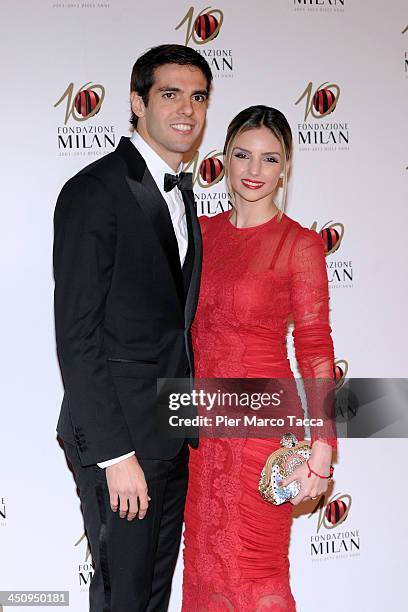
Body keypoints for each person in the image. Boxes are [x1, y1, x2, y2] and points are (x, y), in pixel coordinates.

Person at [53, 44, 212, 611]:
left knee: (151, 597)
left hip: (170, 431)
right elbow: (77, 335)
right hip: (117, 438)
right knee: (122, 596)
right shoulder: (94, 192)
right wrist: (115, 455)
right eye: (170, 94)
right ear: (136, 102)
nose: (186, 110)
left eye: (198, 97)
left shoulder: (183, 195)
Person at [182, 106, 337, 611]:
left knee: (255, 566)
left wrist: (321, 446)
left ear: (285, 166)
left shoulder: (299, 244)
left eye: (269, 159)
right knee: (204, 564)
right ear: (223, 159)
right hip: (199, 431)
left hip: (261, 432)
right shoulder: (201, 234)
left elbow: (314, 349)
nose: (254, 170)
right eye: (242, 155)